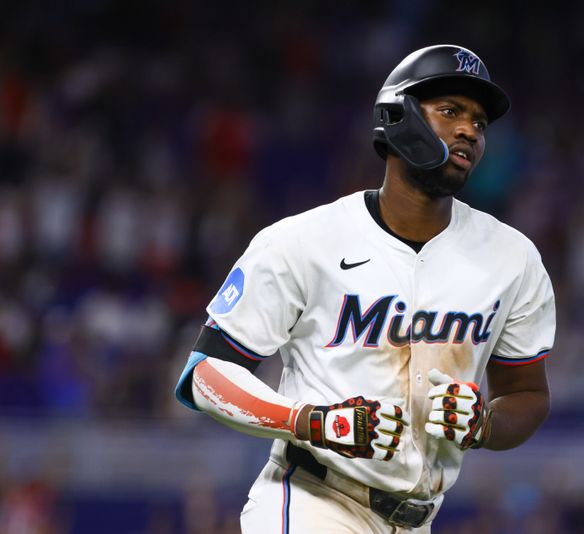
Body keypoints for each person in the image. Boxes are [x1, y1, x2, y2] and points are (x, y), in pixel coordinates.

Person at [175, 44, 555, 533]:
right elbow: (205, 374)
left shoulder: (512, 258)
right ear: (398, 116)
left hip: (418, 518)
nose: (469, 130)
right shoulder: (303, 241)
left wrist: (484, 424)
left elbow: (527, 394)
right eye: (450, 111)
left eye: (479, 122)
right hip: (313, 500)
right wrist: (311, 420)